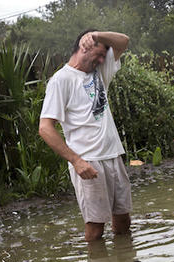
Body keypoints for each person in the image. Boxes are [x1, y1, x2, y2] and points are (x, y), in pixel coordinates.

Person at [39, 30, 131, 242]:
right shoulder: (60, 80)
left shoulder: (99, 72)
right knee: (96, 227)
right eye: (98, 55)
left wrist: (97, 34)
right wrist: (76, 161)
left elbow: (124, 41)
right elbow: (45, 128)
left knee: (123, 220)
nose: (102, 60)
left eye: (103, 57)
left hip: (113, 155)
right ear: (84, 47)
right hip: (88, 161)